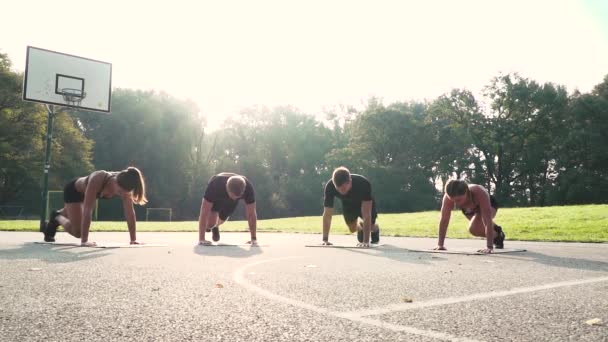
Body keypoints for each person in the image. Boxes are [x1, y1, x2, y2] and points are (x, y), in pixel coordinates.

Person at [43, 167, 148, 247]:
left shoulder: (125, 184)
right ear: (115, 181)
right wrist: (85, 241)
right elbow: (88, 210)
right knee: (78, 232)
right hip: (74, 192)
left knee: (74, 215)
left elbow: (130, 213)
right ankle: (57, 217)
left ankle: (61, 214)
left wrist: (133, 239)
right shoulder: (98, 179)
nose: (122, 194)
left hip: (87, 195)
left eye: (125, 192)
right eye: (120, 191)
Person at [434, 179, 505, 253]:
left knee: (475, 226)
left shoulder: (479, 192)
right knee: (475, 230)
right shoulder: (447, 198)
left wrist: (489, 247)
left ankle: (496, 234)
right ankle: (498, 235)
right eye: (452, 200)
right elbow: (444, 220)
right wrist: (440, 245)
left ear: (466, 192)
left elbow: (487, 220)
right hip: (469, 209)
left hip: (488, 204)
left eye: (458, 200)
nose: (455, 203)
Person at [322, 166, 380, 247]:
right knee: (352, 228)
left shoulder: (363, 183)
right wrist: (325, 239)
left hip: (364, 202)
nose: (341, 192)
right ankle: (361, 228)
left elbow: (367, 214)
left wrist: (366, 241)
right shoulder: (330, 186)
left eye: (343, 189)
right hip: (348, 203)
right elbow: (327, 214)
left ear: (350, 181)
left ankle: (375, 228)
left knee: (371, 226)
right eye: (338, 189)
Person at [198, 173, 258, 246]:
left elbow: (251, 214)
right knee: (210, 224)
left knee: (222, 219)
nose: (235, 198)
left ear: (243, 190)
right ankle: (212, 226)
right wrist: (201, 239)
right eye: (233, 195)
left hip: (231, 202)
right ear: (227, 188)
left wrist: (253, 239)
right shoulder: (215, 185)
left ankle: (216, 226)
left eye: (238, 196)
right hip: (217, 197)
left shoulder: (248, 188)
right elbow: (204, 211)